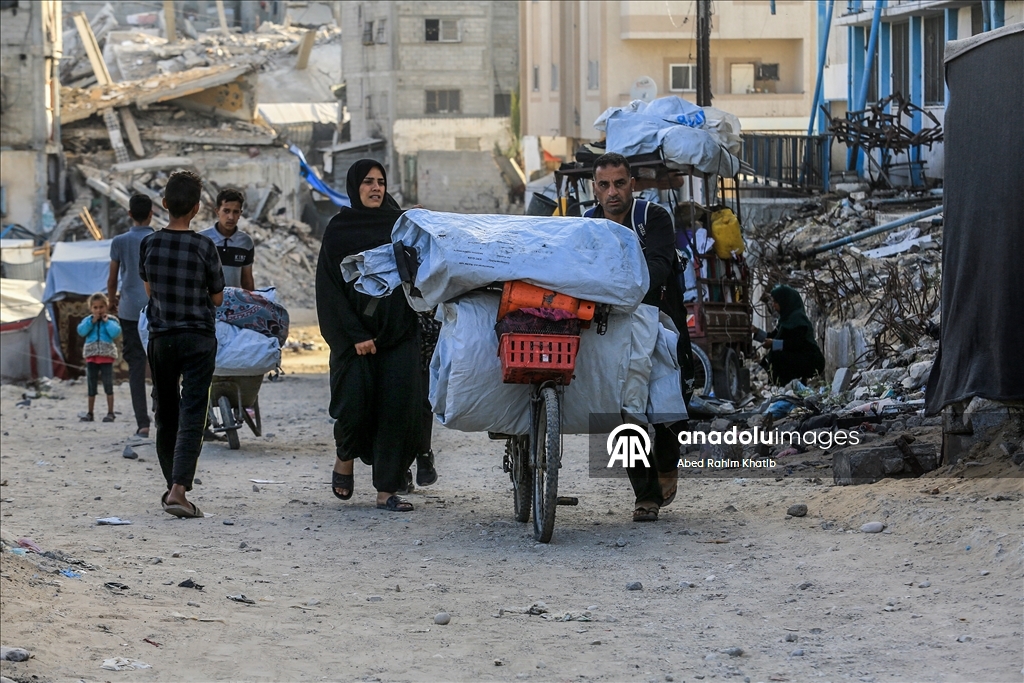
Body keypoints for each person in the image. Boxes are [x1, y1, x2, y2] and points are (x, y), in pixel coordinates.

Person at [586, 152, 693, 523]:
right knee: (623, 408)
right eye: (604, 185)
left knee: (667, 404)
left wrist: (618, 289)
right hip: (608, 327)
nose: (612, 192)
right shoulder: (587, 224)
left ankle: (666, 464)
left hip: (659, 320)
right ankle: (644, 495)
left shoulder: (653, 218)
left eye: (619, 183)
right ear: (594, 188)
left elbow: (660, 266)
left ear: (632, 184)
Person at [316, 159, 422, 512]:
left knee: (397, 409)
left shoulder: (401, 227)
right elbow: (328, 290)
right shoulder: (339, 230)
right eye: (367, 182)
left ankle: (386, 489)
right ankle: (344, 457)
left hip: (398, 335)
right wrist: (354, 334)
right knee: (353, 406)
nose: (376, 188)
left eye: (380, 181)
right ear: (353, 187)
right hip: (355, 340)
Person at [139, 170, 225, 519]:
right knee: (193, 412)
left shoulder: (150, 243)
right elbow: (218, 298)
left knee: (166, 411)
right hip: (198, 338)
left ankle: (172, 485)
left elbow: (148, 291)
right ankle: (179, 488)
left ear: (163, 204)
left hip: (162, 339)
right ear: (197, 208)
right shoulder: (204, 246)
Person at [107, 194, 156, 437]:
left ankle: (142, 423)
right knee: (160, 364)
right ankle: (162, 410)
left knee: (136, 366)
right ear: (152, 213)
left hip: (129, 311)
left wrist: (110, 300)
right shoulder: (158, 239)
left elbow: (113, 277)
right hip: (157, 309)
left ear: (129, 214)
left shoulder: (119, 241)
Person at [760, 284, 825, 385]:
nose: (773, 305)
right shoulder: (785, 320)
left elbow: (796, 344)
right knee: (771, 357)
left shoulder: (798, 319)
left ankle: (789, 386)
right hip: (796, 356)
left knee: (776, 355)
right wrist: (756, 332)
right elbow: (771, 336)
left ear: (785, 302)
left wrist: (773, 344)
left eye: (776, 302)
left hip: (810, 360)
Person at [77, 293, 122, 423]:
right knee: (91, 386)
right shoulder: (88, 320)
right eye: (95, 307)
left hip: (106, 358)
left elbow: (115, 332)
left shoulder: (111, 320)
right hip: (92, 357)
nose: (98, 310)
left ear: (106, 307)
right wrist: (91, 322)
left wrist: (106, 322)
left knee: (108, 385)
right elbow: (81, 331)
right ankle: (90, 413)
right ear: (91, 308)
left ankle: (110, 412)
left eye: (101, 307)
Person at [199, 188, 255, 290]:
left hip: (233, 304)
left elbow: (247, 281)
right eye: (226, 211)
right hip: (207, 304)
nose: (231, 217)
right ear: (217, 211)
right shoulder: (202, 240)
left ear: (240, 214)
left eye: (235, 212)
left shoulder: (246, 242)